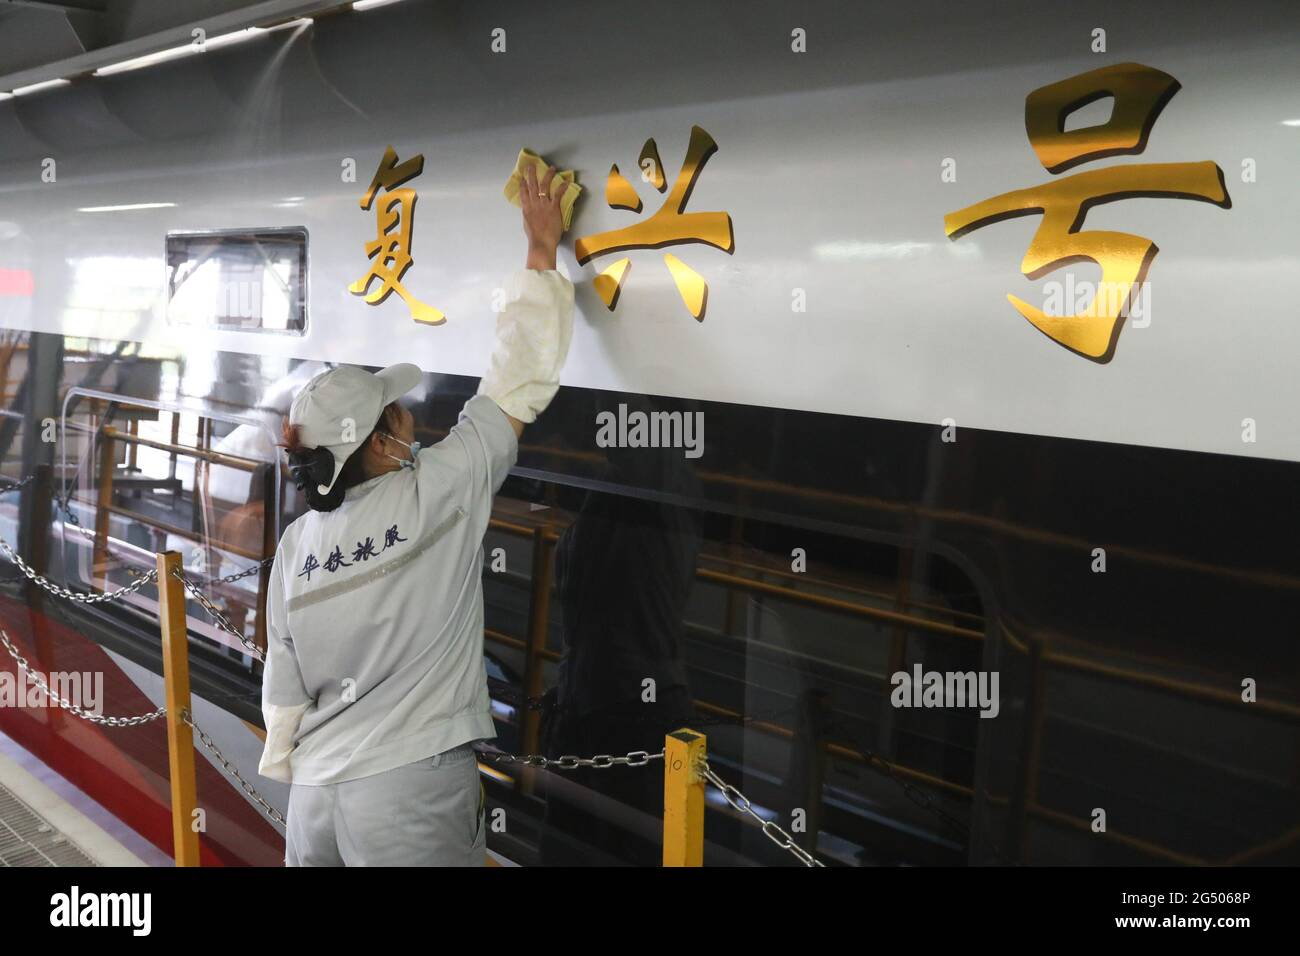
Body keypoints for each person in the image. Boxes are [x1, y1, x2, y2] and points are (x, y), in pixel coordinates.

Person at [257, 165, 575, 866]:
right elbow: (514, 383)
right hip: (409, 798)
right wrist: (540, 251)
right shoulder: (438, 491)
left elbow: (281, 691)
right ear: (376, 443)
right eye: (396, 412)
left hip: (314, 802)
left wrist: (302, 762)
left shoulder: (294, 546)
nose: (410, 415)